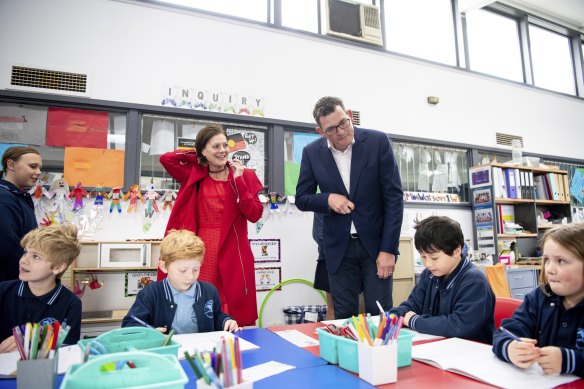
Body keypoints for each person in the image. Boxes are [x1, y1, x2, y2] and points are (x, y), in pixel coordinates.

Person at [295, 96, 404, 319]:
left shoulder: (377, 141)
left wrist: (389, 249)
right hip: (338, 250)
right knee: (345, 317)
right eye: (331, 129)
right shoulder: (312, 153)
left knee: (380, 315)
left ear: (350, 115)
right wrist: (327, 199)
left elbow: (394, 198)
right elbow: (302, 198)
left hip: (376, 248)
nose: (341, 132)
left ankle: (381, 355)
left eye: (343, 123)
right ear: (321, 131)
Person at [159, 124, 263, 326]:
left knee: (232, 304)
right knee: (200, 301)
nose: (223, 151)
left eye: (225, 145)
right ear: (203, 151)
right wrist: (197, 156)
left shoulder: (243, 174)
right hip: (201, 250)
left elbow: (254, 214)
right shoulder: (195, 173)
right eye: (216, 146)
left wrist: (239, 181)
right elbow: (167, 159)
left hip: (234, 248)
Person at [492, 223, 584, 377]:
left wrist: (569, 360)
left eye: (561, 261)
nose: (549, 269)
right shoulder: (539, 298)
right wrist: (510, 348)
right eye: (547, 260)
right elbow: (503, 333)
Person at [390, 216, 495, 344]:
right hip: (437, 346)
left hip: (469, 353)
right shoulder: (429, 275)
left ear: (457, 251)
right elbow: (413, 305)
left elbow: (459, 326)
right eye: (423, 257)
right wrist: (392, 317)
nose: (428, 264)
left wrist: (415, 321)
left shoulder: (474, 282)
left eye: (434, 258)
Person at [123, 229, 239, 333]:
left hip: (201, 353)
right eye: (183, 270)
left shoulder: (209, 291)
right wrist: (149, 333)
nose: (190, 277)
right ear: (164, 267)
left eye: (195, 269)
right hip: (168, 354)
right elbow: (130, 325)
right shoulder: (150, 293)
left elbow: (217, 316)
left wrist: (226, 321)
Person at [0, 224, 82, 352]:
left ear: (58, 267)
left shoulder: (72, 304)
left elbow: (69, 350)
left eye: (36, 256)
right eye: (25, 252)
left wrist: (38, 341)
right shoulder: (3, 291)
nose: (23, 260)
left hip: (44, 370)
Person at [0, 146, 42, 282]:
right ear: (11, 165)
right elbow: (8, 249)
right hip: (9, 283)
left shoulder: (18, 197)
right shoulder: (4, 199)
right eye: (33, 166)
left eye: (39, 167)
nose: (39, 172)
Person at [312, 212, 335, 320]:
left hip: (362, 261)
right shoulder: (323, 200)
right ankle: (330, 337)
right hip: (330, 260)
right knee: (334, 308)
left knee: (364, 309)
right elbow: (319, 235)